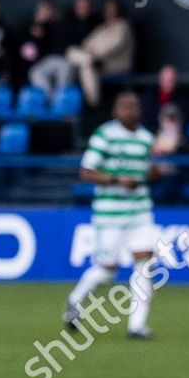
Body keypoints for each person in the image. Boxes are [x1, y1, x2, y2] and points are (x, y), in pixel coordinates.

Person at [64, 91, 159, 340]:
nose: (131, 111)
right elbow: (86, 172)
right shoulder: (105, 136)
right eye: (125, 107)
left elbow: (148, 171)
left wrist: (155, 174)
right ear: (116, 111)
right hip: (109, 213)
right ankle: (75, 300)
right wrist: (117, 180)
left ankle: (136, 326)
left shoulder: (146, 138)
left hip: (139, 210)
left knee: (144, 263)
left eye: (134, 107)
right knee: (108, 270)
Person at [69, 0, 135, 107]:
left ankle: (93, 103)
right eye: (107, 9)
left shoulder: (123, 26)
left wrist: (92, 54)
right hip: (97, 62)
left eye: (112, 9)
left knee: (87, 65)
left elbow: (113, 47)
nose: (109, 12)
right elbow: (87, 44)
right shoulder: (102, 28)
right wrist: (89, 55)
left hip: (117, 65)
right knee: (72, 52)